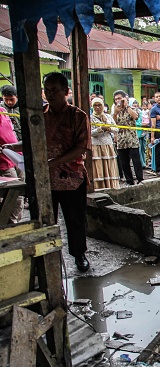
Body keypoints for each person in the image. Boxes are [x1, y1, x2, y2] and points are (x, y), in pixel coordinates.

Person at [5, 72, 92, 271]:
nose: (50, 94)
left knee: (75, 220)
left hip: (71, 178)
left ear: (66, 91)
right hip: (44, 179)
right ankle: (46, 256)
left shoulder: (78, 116)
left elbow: (82, 148)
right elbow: (30, 142)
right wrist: (11, 147)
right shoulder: (39, 116)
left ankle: (79, 255)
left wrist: (54, 162)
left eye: (55, 90)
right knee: (44, 219)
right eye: (47, 90)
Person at [113, 90, 143, 185]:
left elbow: (135, 117)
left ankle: (140, 179)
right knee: (124, 163)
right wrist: (115, 113)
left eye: (120, 98)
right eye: (116, 99)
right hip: (121, 140)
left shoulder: (131, 108)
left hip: (132, 139)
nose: (118, 101)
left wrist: (127, 106)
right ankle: (129, 181)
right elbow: (113, 124)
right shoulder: (115, 110)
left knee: (136, 161)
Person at [0, 105, 23, 223]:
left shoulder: (3, 111)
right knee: (14, 194)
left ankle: (15, 221)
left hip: (16, 157)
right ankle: (10, 223)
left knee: (20, 191)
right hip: (3, 162)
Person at [90, 98, 119, 189]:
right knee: (99, 167)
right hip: (96, 146)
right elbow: (90, 133)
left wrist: (109, 129)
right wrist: (100, 129)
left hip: (108, 145)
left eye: (99, 105)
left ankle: (111, 186)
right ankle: (100, 187)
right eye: (95, 105)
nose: (97, 107)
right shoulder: (91, 117)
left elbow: (116, 129)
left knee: (110, 166)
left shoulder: (108, 117)